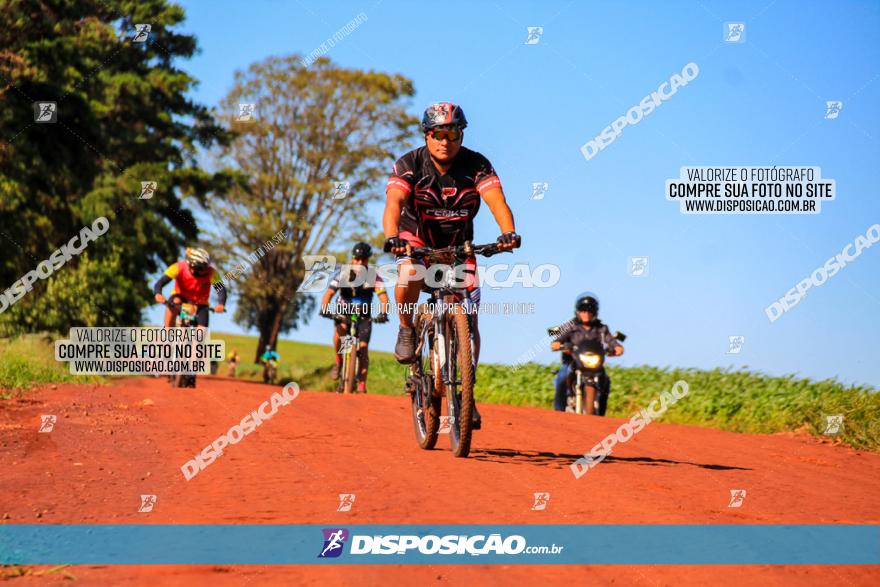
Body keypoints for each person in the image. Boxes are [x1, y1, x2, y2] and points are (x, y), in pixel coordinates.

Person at [382, 102, 520, 427]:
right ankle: (406, 330)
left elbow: (497, 200)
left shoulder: (477, 164)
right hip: (415, 238)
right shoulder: (409, 164)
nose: (446, 142)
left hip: (460, 246)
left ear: (461, 135)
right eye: (439, 134)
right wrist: (392, 237)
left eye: (453, 134)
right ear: (427, 135)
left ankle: (466, 395)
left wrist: (508, 232)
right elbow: (393, 203)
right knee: (409, 271)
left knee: (470, 323)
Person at [319, 242, 390, 393]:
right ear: (352, 258)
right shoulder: (343, 274)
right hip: (344, 312)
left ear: (367, 260)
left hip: (363, 315)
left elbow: (383, 298)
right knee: (340, 332)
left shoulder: (373, 276)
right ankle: (338, 361)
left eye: (363, 260)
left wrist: (384, 313)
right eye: (356, 259)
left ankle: (362, 385)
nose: (359, 263)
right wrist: (324, 308)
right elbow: (329, 293)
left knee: (363, 349)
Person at [549, 293, 624, 412]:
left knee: (606, 380)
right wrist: (557, 344)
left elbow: (611, 340)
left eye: (590, 310)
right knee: (562, 377)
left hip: (594, 363)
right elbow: (558, 339)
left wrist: (617, 347)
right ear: (577, 311)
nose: (586, 314)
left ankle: (600, 412)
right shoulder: (571, 326)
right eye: (583, 310)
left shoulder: (601, 328)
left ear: (595, 312)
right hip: (573, 361)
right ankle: (558, 411)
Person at [153, 247, 226, 327]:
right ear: (193, 267)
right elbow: (160, 283)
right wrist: (158, 294)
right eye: (202, 268)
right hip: (180, 300)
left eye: (206, 267)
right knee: (176, 301)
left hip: (200, 304)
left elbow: (221, 289)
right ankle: (168, 332)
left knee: (200, 333)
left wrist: (221, 304)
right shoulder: (178, 267)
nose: (206, 270)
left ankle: (185, 324)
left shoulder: (211, 272)